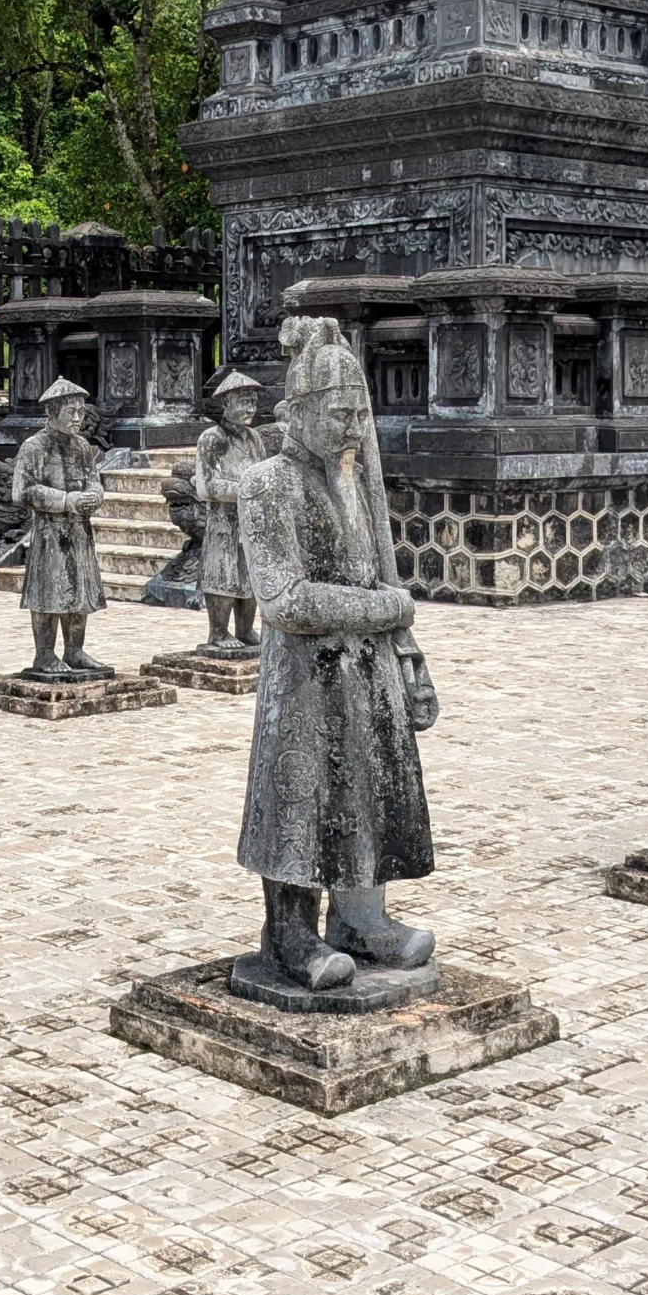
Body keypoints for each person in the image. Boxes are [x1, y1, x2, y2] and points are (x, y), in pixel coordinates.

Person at [236, 320, 437, 990]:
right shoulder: (267, 483)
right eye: (338, 414)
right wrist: (388, 609)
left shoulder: (352, 481)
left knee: (371, 792)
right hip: (305, 677)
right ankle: (291, 933)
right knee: (301, 802)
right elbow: (285, 599)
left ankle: (362, 917)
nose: (352, 429)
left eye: (359, 415)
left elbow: (371, 569)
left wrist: (406, 656)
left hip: (368, 671)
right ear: (296, 412)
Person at [11, 379, 109, 678]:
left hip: (79, 529)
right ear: (53, 412)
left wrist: (95, 495)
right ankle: (44, 654)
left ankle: (75, 650)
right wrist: (66, 500)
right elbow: (22, 490)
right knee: (48, 593)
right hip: (50, 531)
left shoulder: (81, 446)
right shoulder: (34, 447)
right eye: (71, 411)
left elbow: (93, 479)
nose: (78, 418)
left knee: (79, 591)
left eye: (81, 411)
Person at [192, 370, 278, 654]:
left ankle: (245, 628)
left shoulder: (254, 438)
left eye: (252, 402)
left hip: (250, 519)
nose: (250, 408)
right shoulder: (212, 439)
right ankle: (218, 631)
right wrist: (247, 489)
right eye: (243, 402)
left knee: (249, 574)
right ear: (226, 404)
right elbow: (207, 487)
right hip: (223, 520)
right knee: (223, 572)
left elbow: (265, 474)